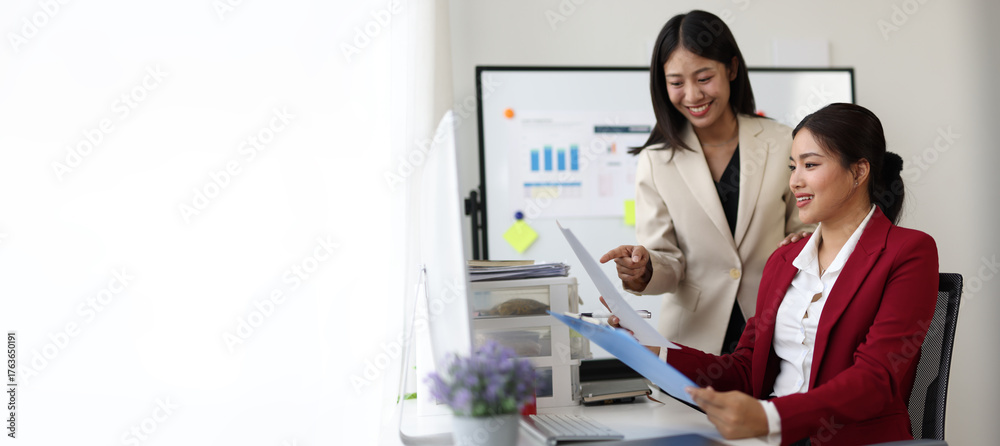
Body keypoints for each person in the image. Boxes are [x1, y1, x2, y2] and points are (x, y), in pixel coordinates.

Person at [610, 103, 938, 445]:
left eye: (810, 165)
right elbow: (745, 370)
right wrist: (655, 349)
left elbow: (876, 380)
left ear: (858, 172)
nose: (795, 181)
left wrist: (770, 417)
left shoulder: (909, 251)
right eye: (793, 167)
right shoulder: (785, 258)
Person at [600, 10, 812, 355]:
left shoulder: (783, 141)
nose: (692, 95)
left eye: (703, 77)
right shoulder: (657, 161)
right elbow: (668, 262)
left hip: (777, 332)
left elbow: (809, 228)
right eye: (676, 82)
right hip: (693, 342)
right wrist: (642, 269)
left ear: (730, 69)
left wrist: (806, 237)